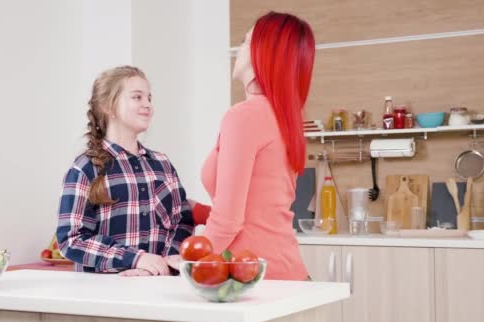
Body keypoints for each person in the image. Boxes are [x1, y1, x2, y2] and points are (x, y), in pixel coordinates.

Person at [192, 12, 316, 280]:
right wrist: (199, 212)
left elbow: (228, 222)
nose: (238, 49)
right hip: (287, 273)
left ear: (263, 52)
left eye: (246, 41)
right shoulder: (284, 116)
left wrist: (187, 263)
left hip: (257, 278)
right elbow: (261, 207)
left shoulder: (244, 116)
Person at [56, 65, 194, 276]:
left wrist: (160, 265)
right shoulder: (84, 168)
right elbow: (71, 240)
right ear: (108, 107)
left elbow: (182, 222)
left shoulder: (162, 164)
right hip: (104, 297)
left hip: (160, 287)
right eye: (137, 97)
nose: (147, 104)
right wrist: (135, 259)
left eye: (149, 98)